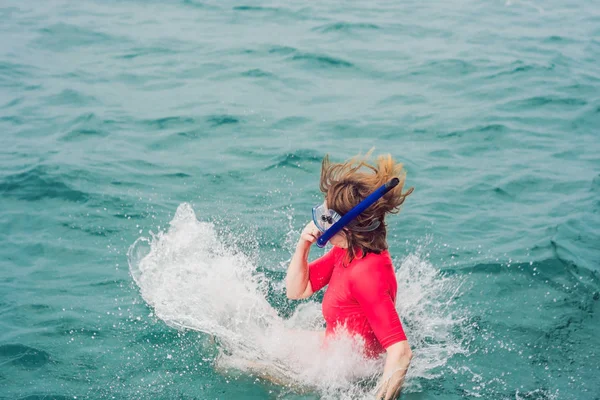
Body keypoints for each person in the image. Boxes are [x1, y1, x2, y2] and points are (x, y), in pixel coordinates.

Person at [285, 153, 414, 400]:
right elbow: (297, 291)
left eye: (328, 219)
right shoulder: (347, 251)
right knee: (265, 338)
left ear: (348, 227)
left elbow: (401, 352)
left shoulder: (366, 273)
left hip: (345, 373)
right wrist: (303, 245)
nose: (321, 224)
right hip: (331, 347)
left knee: (241, 363)